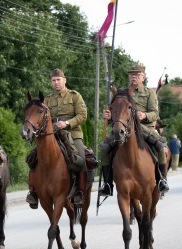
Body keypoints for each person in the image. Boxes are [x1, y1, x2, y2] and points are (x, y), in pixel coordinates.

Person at [98, 65, 169, 197]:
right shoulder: (122, 93)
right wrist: (108, 115)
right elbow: (116, 111)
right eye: (131, 75)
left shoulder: (149, 93)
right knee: (104, 148)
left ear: (143, 77)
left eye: (136, 75)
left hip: (144, 128)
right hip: (125, 128)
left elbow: (155, 113)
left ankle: (161, 180)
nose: (133, 77)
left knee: (160, 147)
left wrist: (144, 115)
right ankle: (108, 183)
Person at [26, 68, 88, 209]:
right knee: (32, 158)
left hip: (72, 133)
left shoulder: (74, 96)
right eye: (53, 80)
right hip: (52, 134)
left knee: (81, 159)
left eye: (58, 80)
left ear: (64, 80)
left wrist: (66, 123)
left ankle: (80, 192)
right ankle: (33, 192)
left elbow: (82, 116)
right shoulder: (47, 99)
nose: (56, 83)